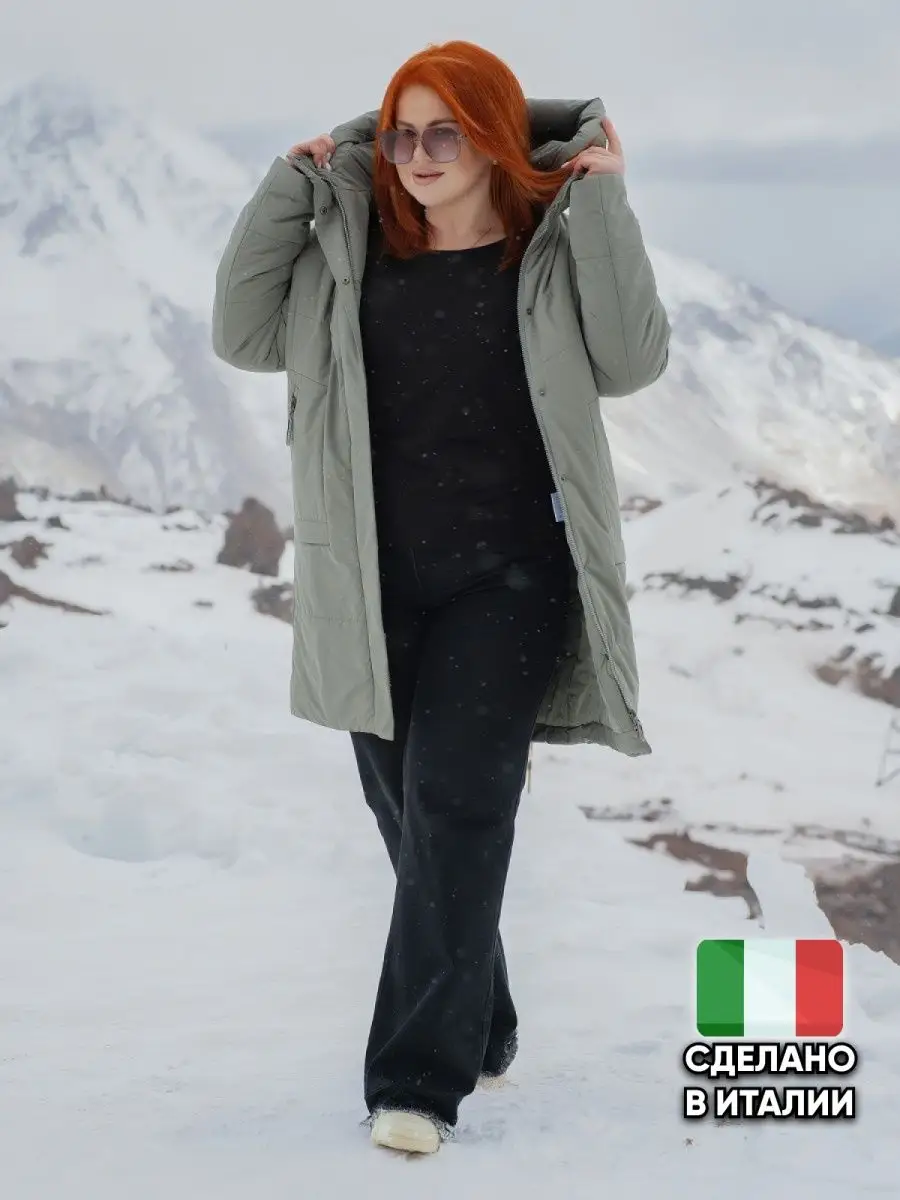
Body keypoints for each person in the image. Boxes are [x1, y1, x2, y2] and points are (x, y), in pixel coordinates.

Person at [212, 38, 670, 1156]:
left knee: (459, 805)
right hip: (370, 582)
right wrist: (288, 187)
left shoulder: (548, 254)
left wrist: (605, 201)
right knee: (412, 820)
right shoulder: (349, 256)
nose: (418, 155)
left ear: (497, 140)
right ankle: (480, 1013)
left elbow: (632, 359)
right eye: (401, 133)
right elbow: (241, 333)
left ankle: (415, 1082)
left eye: (445, 132)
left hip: (509, 580)